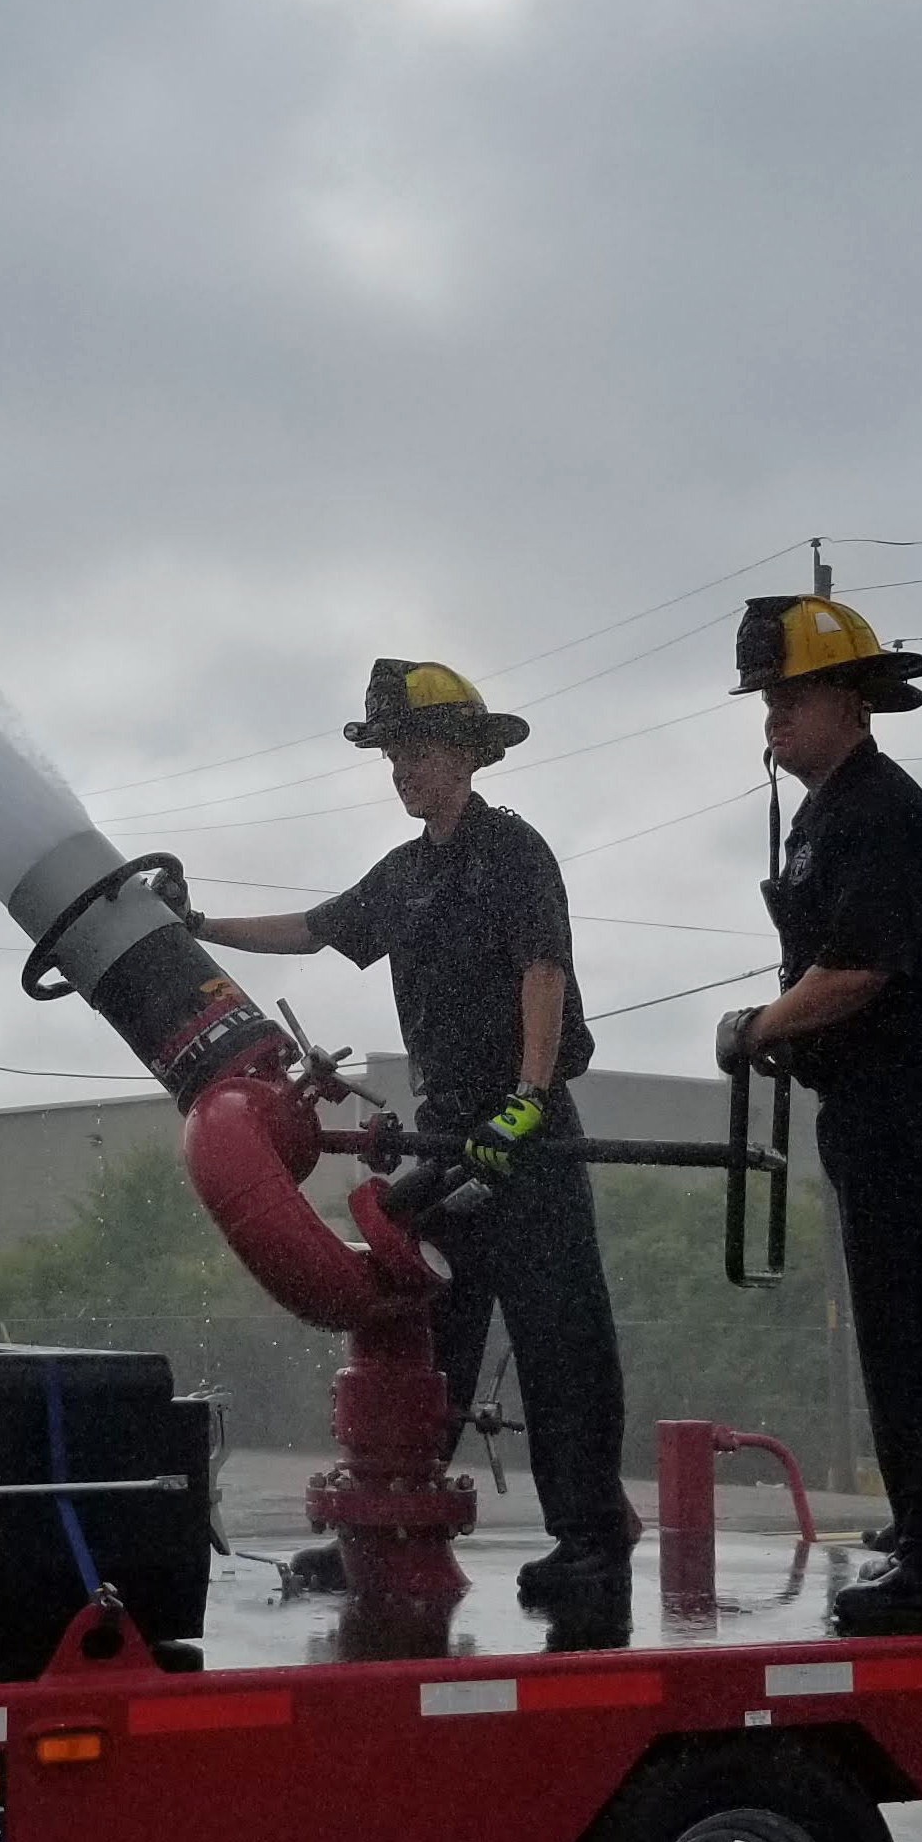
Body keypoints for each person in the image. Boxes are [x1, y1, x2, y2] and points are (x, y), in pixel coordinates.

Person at [191, 659, 632, 1645]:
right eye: (393, 754)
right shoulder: (405, 874)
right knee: (426, 1342)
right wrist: (195, 927)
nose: (403, 769)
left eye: (420, 751)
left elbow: (543, 969)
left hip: (523, 1137)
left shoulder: (511, 852)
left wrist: (526, 1101)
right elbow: (314, 929)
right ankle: (388, 1531)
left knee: (560, 1342)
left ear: (468, 756)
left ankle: (591, 1543)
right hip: (445, 1134)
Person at [717, 594, 922, 1634]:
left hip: (913, 1106)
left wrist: (755, 1026)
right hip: (878, 1108)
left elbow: (859, 968)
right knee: (897, 1335)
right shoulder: (829, 813)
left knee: (920, 1338)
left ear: (851, 699)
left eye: (791, 696)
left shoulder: (874, 810)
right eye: (767, 699)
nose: (772, 716)